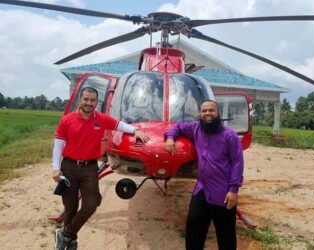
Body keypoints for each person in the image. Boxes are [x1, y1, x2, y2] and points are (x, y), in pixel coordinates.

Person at [52, 87, 150, 250]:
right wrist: (55, 168)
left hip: (90, 167)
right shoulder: (67, 120)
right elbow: (58, 145)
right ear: (80, 100)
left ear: (97, 102)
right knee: (71, 207)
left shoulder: (101, 119)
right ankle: (71, 242)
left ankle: (64, 234)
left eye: (92, 100)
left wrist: (136, 130)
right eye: (86, 99)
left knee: (91, 204)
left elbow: (119, 125)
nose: (89, 103)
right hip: (68, 167)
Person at [164, 100, 244, 250]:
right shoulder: (196, 128)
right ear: (200, 114)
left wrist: (234, 190)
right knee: (193, 231)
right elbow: (178, 126)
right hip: (201, 190)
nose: (207, 113)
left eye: (211, 110)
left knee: (226, 236)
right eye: (204, 111)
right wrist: (170, 138)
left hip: (223, 194)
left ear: (218, 113)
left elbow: (237, 163)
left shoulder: (230, 135)